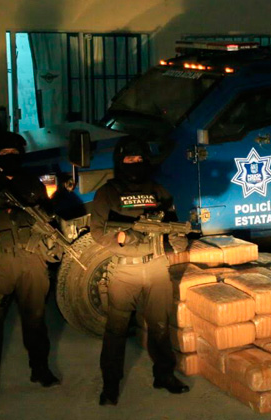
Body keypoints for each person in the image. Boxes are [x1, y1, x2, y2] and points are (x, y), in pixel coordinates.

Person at [91, 136, 190, 406]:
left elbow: (172, 222)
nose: (135, 163)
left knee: (160, 326)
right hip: (124, 272)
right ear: (120, 161)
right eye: (129, 159)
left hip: (156, 268)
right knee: (116, 331)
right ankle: (110, 385)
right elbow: (97, 231)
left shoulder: (158, 191)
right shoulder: (107, 193)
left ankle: (164, 375)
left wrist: (178, 239)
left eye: (139, 159)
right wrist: (124, 238)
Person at [0, 131, 60, 396]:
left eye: (15, 153)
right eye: (5, 153)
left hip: (31, 259)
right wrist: (7, 216)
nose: (10, 157)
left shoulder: (31, 182)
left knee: (36, 319)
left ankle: (40, 369)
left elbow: (46, 214)